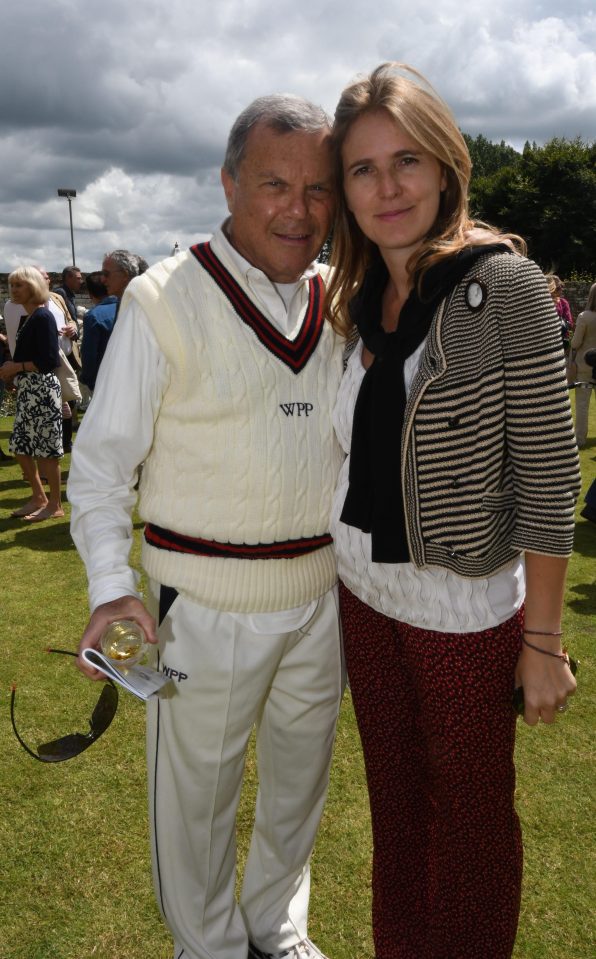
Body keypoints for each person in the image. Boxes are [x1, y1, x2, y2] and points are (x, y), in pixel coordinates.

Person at [68, 94, 343, 959]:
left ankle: (274, 924)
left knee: (299, 788)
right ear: (228, 183)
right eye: (273, 183)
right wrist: (112, 588)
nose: (298, 208)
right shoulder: (163, 297)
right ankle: (211, 945)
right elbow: (103, 466)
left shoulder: (339, 295)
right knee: (196, 799)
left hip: (322, 595)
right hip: (204, 602)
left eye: (318, 188)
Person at [325, 62, 581, 959]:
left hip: (462, 614)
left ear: (444, 166)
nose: (387, 187)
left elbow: (553, 477)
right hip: (360, 591)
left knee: (470, 831)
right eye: (363, 168)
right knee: (395, 811)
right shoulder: (356, 301)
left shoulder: (503, 285)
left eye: (406, 161)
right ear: (344, 187)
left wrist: (543, 645)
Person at [0, 266, 63, 520]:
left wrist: (16, 367)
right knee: (20, 446)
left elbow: (49, 360)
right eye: (12, 285)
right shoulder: (29, 317)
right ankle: (39, 497)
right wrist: (15, 372)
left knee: (46, 451)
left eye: (19, 285)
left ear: (34, 287)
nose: (13, 290)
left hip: (43, 390)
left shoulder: (43, 317)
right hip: (29, 389)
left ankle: (55, 505)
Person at [79, 271, 118, 392]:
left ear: (90, 294)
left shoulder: (93, 316)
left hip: (105, 380)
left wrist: (88, 379)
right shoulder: (130, 308)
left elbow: (89, 353)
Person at [570, 282, 596, 447]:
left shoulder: (584, 317)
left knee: (582, 405)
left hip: (585, 366)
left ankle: (580, 439)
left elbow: (575, 343)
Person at [545, 273, 574, 351]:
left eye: (561, 287)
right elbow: (570, 323)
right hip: (552, 341)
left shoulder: (563, 302)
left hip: (553, 340)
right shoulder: (562, 303)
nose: (561, 290)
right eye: (558, 288)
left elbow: (570, 323)